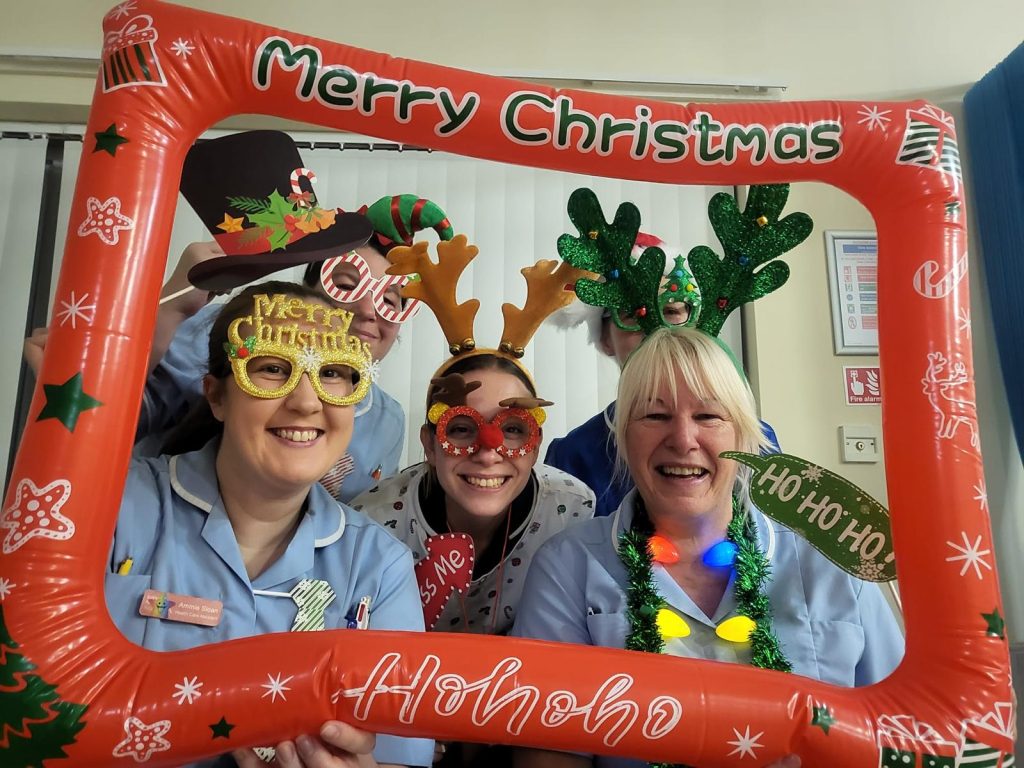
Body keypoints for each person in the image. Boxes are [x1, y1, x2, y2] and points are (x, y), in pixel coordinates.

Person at [511, 327, 904, 768]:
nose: (682, 439)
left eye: (709, 416)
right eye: (654, 416)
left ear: (745, 436)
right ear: (623, 437)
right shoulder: (569, 566)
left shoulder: (831, 557)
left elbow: (899, 731)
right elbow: (549, 753)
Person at [105, 281, 432, 768]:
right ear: (216, 396)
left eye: (335, 373)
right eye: (274, 369)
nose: (306, 401)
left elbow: (401, 755)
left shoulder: (379, 567)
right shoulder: (112, 504)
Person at [350, 236, 596, 768]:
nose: (489, 453)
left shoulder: (572, 509)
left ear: (535, 442)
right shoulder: (371, 525)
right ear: (427, 442)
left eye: (513, 428)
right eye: (462, 428)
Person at [135, 130, 454, 501]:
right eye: (347, 285)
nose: (368, 311)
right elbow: (100, 412)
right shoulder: (230, 332)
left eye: (392, 299)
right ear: (309, 290)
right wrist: (169, 306)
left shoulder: (388, 420)